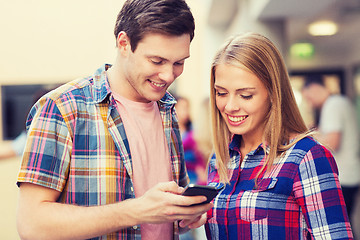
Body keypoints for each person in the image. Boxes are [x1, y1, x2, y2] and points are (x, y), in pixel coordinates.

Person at [16, 1, 213, 239]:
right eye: (157, 61)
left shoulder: (167, 109)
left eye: (179, 62)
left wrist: (184, 216)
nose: (168, 75)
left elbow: (165, 216)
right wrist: (136, 211)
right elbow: (31, 226)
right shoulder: (61, 107)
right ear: (124, 43)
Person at [205, 32, 354, 239]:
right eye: (221, 93)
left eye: (245, 95)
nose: (230, 106)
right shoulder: (219, 159)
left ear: (274, 93)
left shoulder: (306, 157)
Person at [302, 75, 360, 222]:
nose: (310, 103)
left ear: (314, 88)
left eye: (308, 98)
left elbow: (333, 143)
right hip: (349, 174)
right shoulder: (337, 102)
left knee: (340, 225)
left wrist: (305, 137)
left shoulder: (333, 105)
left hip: (343, 177)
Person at [175, 96, 207, 185]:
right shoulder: (169, 132)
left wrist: (197, 168)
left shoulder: (193, 132)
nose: (185, 112)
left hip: (194, 178)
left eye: (187, 108)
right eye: (182, 108)